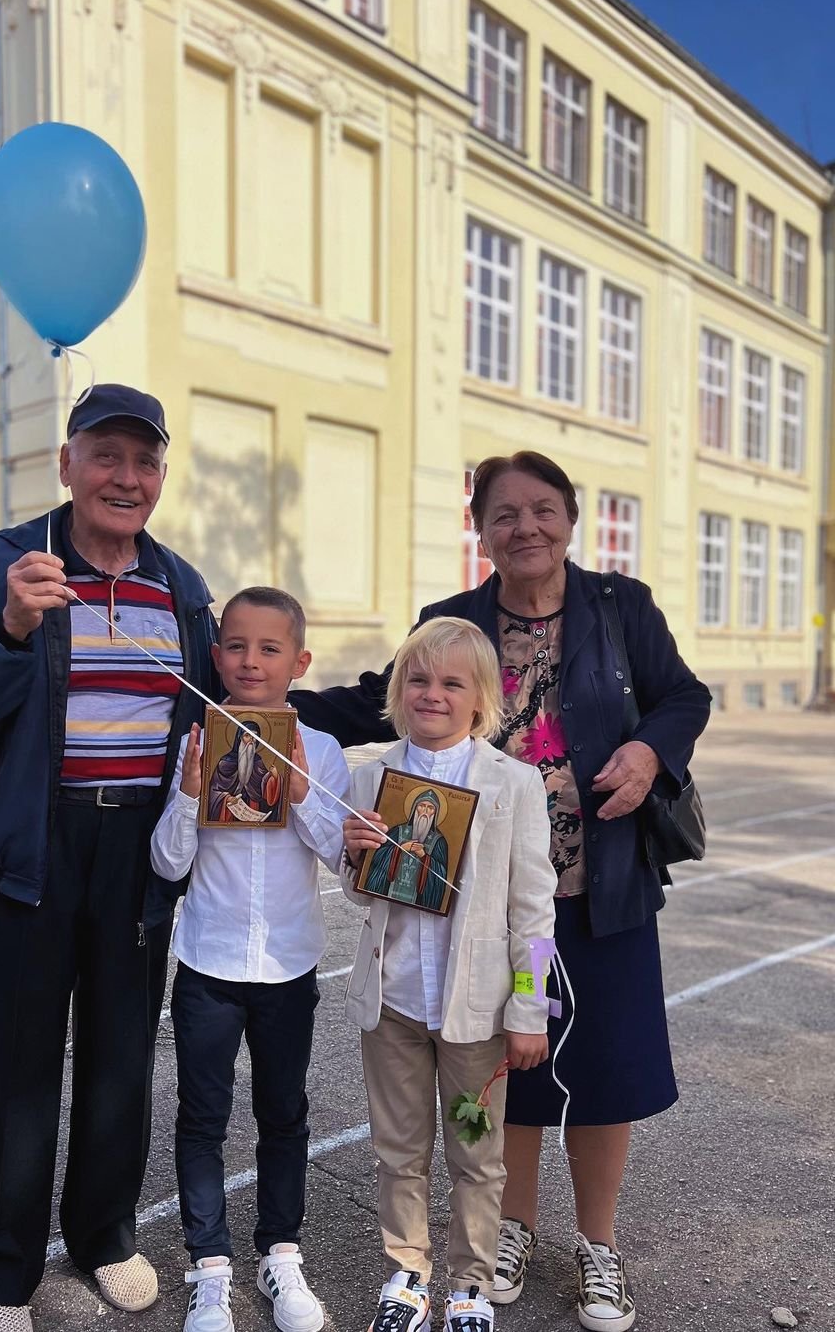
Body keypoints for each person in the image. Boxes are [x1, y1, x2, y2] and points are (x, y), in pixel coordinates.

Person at [292, 451, 711, 1332]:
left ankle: (597, 1244)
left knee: (607, 1066)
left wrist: (649, 750)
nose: (526, 527)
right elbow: (387, 701)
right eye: (505, 513)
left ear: (570, 517)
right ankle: (508, 1228)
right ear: (479, 528)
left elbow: (683, 696)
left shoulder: (619, 607)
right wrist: (270, 699)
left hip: (598, 886)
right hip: (477, 897)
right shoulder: (452, 620)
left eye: (543, 509)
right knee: (497, 1067)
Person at [0, 385, 223, 1332]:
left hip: (135, 849)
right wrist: (7, 630)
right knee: (11, 1059)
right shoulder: (5, 563)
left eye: (145, 461)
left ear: (160, 475)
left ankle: (104, 1235)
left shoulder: (181, 586)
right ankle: (2, 1275)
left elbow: (218, 709)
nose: (127, 478)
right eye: (108, 456)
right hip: (30, 844)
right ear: (68, 464)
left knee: (123, 1052)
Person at [339, 617, 558, 1332]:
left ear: (480, 699)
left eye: (452, 683)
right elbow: (360, 894)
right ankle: (407, 1273)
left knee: (476, 1155)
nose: (432, 694)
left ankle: (469, 1282)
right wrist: (357, 854)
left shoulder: (514, 784)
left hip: (478, 1012)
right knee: (398, 1151)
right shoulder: (371, 777)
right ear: (400, 689)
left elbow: (533, 912)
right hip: (395, 1000)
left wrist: (529, 1009)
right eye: (419, 679)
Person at [151, 587, 350, 1332]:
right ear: (216, 655)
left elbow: (339, 854)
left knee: (283, 1112)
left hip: (288, 966)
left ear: (298, 661)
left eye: (269, 649)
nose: (250, 661)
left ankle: (281, 1252)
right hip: (208, 962)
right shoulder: (197, 741)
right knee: (202, 1115)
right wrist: (190, 796)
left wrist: (300, 793)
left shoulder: (322, 748)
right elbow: (169, 868)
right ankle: (209, 1264)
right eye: (235, 646)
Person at [363, 787, 450, 910]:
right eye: (422, 806)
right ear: (415, 808)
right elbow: (378, 856)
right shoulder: (398, 831)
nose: (425, 811)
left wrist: (424, 857)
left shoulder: (438, 842)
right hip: (389, 895)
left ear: (435, 813)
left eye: (430, 808)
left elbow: (441, 875)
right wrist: (400, 849)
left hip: (418, 901)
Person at [207, 718, 282, 823]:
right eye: (247, 735)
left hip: (253, 808)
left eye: (255, 736)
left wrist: (274, 777)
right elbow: (213, 791)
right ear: (240, 738)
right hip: (231, 810)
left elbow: (264, 785)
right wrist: (227, 798)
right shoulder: (226, 763)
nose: (251, 740)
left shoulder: (257, 761)